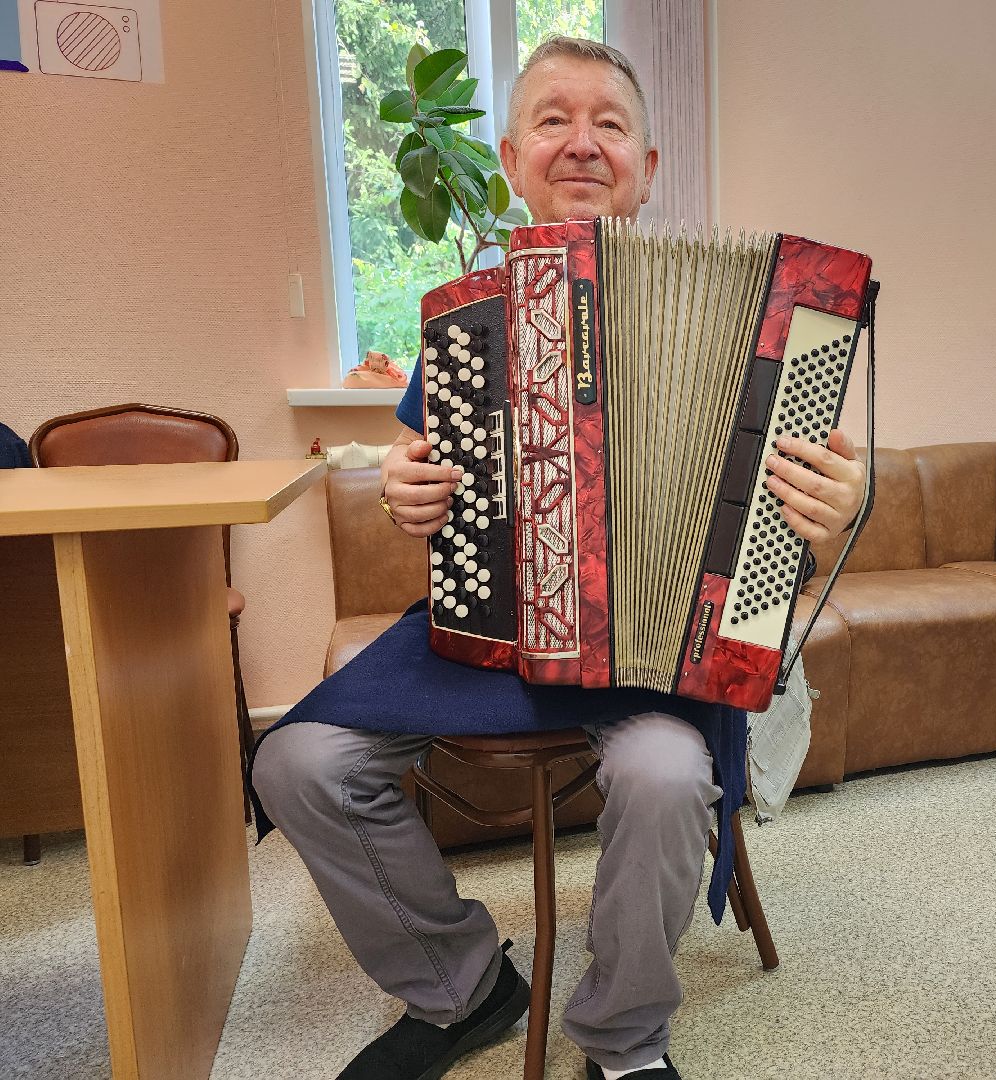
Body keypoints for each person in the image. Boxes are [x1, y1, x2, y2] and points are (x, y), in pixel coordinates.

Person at [251, 36, 865, 1080]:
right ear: (510, 156)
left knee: (667, 774)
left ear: (648, 164)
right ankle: (463, 987)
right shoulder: (466, 317)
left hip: (656, 648)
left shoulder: (760, 315)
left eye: (610, 123)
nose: (582, 143)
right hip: (492, 632)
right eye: (553, 119)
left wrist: (838, 511)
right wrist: (406, 493)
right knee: (295, 762)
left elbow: (800, 511)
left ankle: (622, 1040)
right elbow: (422, 471)